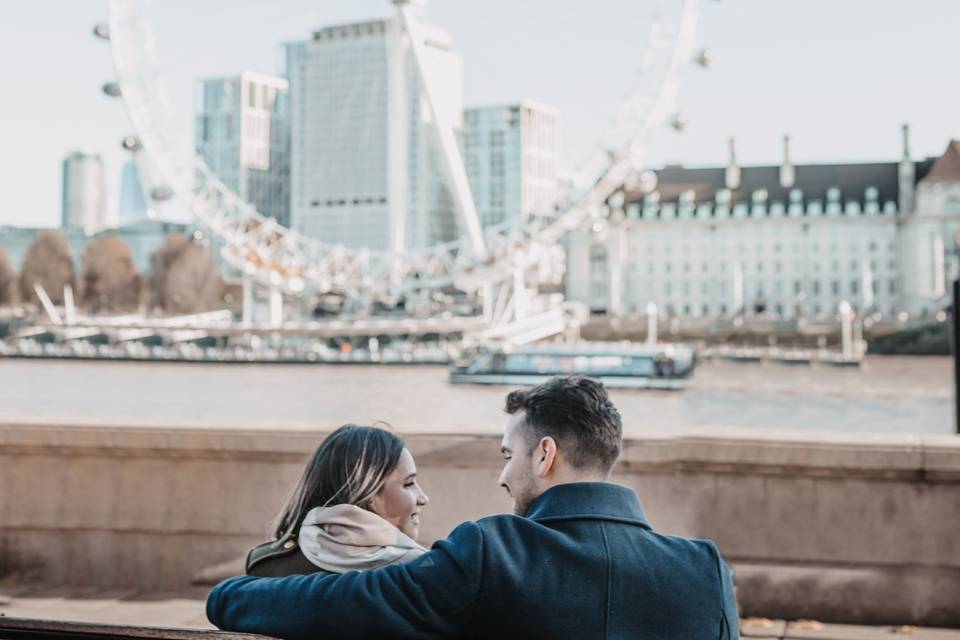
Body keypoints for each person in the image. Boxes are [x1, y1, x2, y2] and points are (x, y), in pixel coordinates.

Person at [208, 376, 740, 639]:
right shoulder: (704, 570)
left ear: (545, 455)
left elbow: (341, 600)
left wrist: (231, 595)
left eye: (510, 455)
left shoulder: (493, 554)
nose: (503, 475)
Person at [245, 424, 430, 577]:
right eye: (409, 483)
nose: (423, 498)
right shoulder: (423, 573)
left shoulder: (266, 564)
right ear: (367, 494)